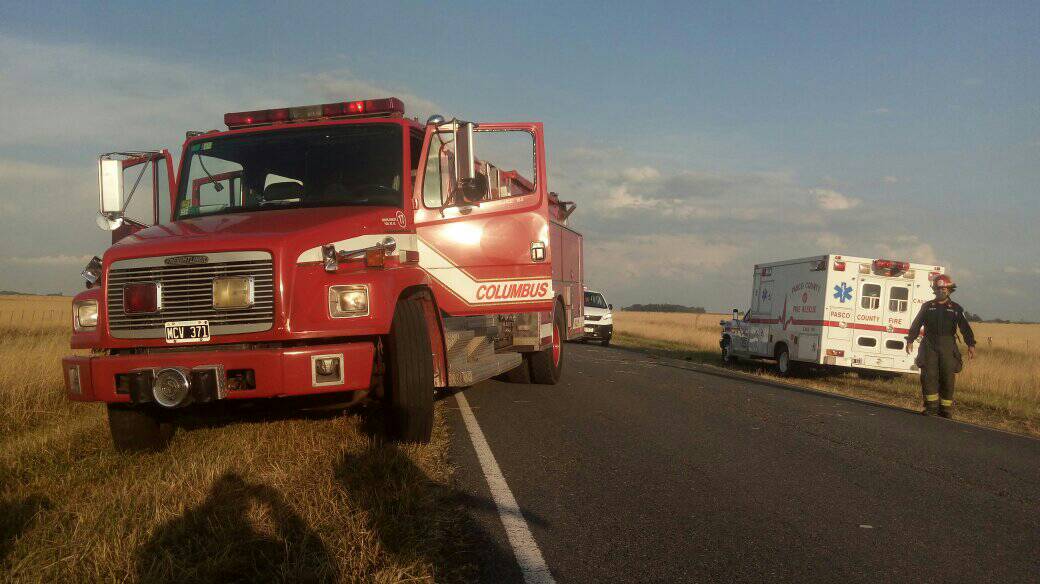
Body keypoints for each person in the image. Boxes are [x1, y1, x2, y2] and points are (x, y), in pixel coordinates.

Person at [905, 274, 976, 418]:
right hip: (929, 344)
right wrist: (910, 340)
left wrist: (971, 344)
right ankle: (931, 407)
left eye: (944, 289)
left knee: (947, 376)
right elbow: (917, 323)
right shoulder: (927, 306)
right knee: (929, 376)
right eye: (938, 289)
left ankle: (945, 409)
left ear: (949, 290)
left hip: (948, 346)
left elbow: (965, 327)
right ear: (934, 290)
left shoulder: (956, 308)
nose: (941, 291)